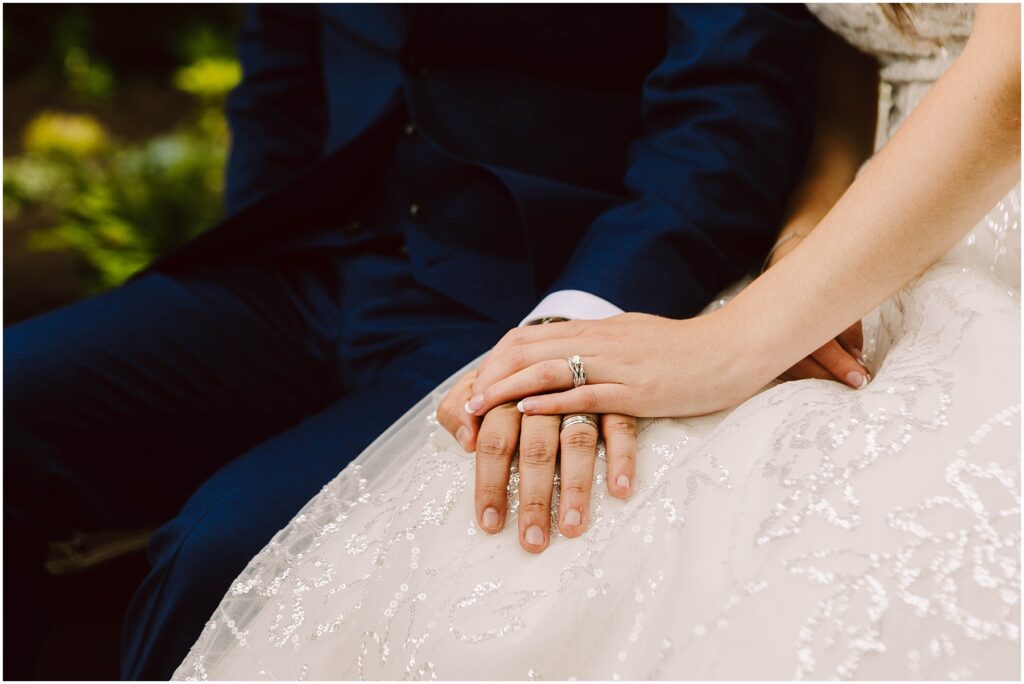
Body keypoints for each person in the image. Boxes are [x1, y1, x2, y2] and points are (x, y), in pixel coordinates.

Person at [173, 3, 1020, 680]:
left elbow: (1007, 69)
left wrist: (734, 344)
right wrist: (802, 243)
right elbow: (866, 50)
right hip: (865, 207)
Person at [2, 5, 821, 679]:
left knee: (230, 557)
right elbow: (284, 44)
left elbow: (729, 100)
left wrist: (580, 321)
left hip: (528, 290)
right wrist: (260, 234)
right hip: (309, 258)